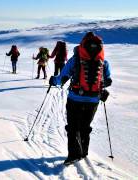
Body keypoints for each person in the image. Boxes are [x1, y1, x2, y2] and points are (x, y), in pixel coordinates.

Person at [49, 32, 113, 165]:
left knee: (73, 127)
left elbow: (62, 78)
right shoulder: (103, 61)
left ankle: (73, 155)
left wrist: (53, 80)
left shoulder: (76, 59)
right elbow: (108, 80)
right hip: (93, 100)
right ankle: (83, 152)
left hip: (75, 98)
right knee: (85, 126)